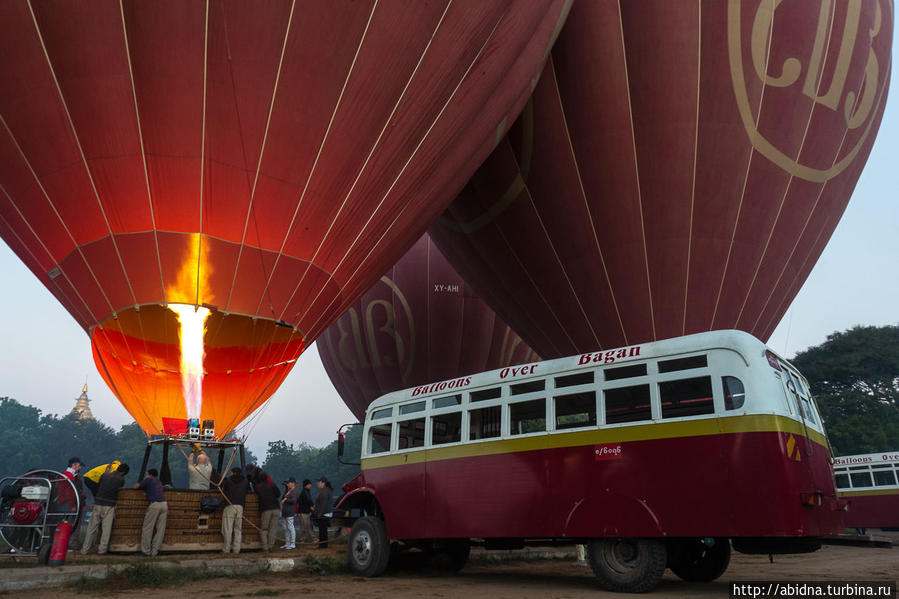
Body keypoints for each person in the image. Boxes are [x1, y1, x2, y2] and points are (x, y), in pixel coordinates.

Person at [81, 463, 129, 555]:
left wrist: (107, 470)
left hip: (98, 503)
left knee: (91, 528)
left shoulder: (105, 475)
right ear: (123, 473)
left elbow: (101, 482)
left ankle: (84, 549)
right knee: (106, 529)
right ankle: (102, 550)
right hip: (109, 505)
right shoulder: (121, 480)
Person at [133, 468, 167, 557]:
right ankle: (155, 551)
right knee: (160, 529)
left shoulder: (148, 480)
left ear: (149, 474)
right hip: (164, 504)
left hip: (155, 504)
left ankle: (146, 551)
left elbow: (136, 487)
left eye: (147, 474)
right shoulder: (159, 482)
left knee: (148, 528)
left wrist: (139, 484)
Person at [221, 467, 248, 554]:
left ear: (233, 472)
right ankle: (236, 549)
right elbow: (248, 491)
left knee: (227, 529)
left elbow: (224, 491)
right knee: (238, 529)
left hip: (229, 505)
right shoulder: (245, 481)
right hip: (240, 506)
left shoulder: (228, 480)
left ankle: (226, 549)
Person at [61, 457, 86, 549]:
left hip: (71, 504)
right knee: (72, 524)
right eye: (79, 466)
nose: (80, 468)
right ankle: (70, 544)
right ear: (73, 465)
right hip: (71, 505)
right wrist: (72, 505)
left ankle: (68, 543)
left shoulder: (71, 476)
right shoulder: (68, 476)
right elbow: (69, 493)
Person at [254, 471, 280, 552]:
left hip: (266, 509)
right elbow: (278, 494)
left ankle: (265, 548)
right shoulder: (272, 484)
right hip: (276, 508)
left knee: (264, 529)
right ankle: (271, 546)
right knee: (273, 528)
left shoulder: (257, 487)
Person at [312, 476, 333, 550]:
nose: (317, 483)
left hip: (324, 514)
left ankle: (322, 545)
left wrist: (319, 514)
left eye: (319, 482)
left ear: (323, 483)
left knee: (322, 530)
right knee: (323, 530)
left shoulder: (324, 491)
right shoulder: (325, 490)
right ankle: (324, 545)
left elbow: (323, 504)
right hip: (325, 513)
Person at [280, 478, 299, 549]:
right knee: (286, 528)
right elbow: (282, 498)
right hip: (285, 511)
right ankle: (287, 543)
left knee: (291, 527)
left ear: (293, 483)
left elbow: (294, 500)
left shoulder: (295, 491)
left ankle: (293, 544)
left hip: (290, 511)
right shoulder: (288, 490)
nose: (287, 484)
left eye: (288, 483)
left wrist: (286, 499)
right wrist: (285, 489)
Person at [296, 479, 314, 543]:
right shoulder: (304, 492)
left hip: (306, 511)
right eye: (309, 484)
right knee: (304, 527)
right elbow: (309, 501)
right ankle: (303, 539)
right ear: (305, 485)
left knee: (308, 526)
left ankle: (311, 539)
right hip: (303, 512)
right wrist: (312, 506)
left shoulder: (307, 491)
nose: (310, 485)